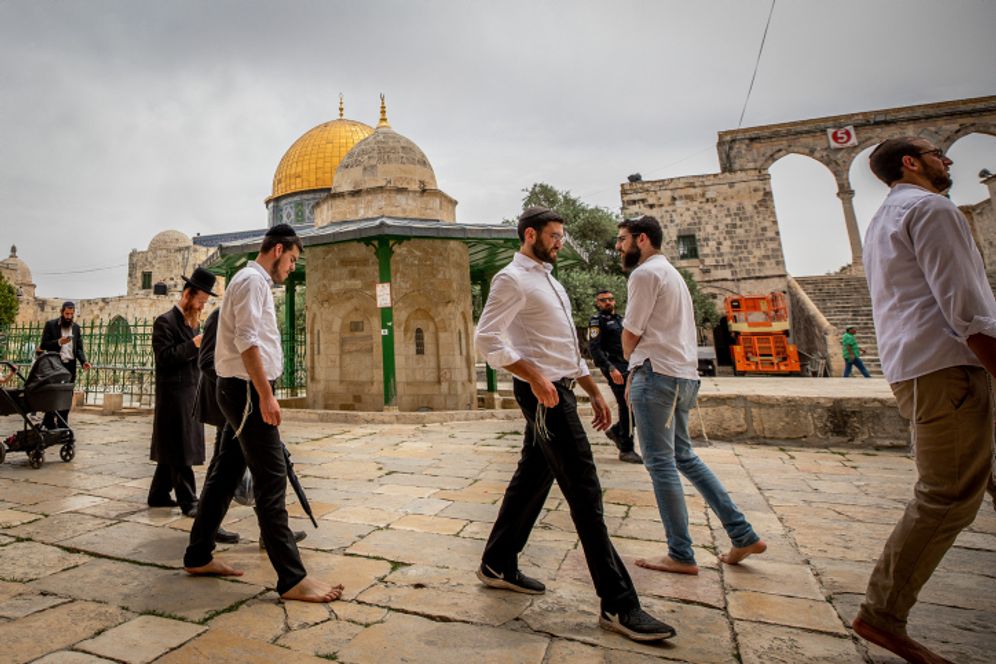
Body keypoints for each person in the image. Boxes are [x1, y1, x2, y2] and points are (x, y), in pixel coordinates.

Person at [474, 206, 674, 642]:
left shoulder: (552, 282)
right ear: (530, 236)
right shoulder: (511, 279)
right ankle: (619, 605)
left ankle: (497, 562)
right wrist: (535, 378)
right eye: (554, 235)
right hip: (543, 394)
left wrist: (594, 389)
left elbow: (566, 347)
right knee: (584, 490)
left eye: (562, 235)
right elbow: (487, 338)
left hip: (562, 387)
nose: (561, 242)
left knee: (532, 477)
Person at [852, 136, 996, 664]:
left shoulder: (885, 219)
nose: (949, 158)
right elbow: (968, 309)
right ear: (911, 163)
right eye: (939, 151)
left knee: (971, 482)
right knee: (947, 495)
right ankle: (883, 613)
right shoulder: (930, 209)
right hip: (947, 368)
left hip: (919, 368)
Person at [183, 224, 342, 603]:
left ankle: (198, 554)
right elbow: (248, 341)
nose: (291, 268)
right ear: (278, 250)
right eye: (291, 260)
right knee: (272, 479)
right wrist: (266, 394)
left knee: (225, 475)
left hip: (238, 391)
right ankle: (291, 577)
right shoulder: (253, 281)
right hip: (248, 394)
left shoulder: (249, 281)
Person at [616, 215, 766, 576]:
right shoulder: (673, 274)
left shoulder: (644, 274)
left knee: (661, 463)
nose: (618, 247)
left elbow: (630, 333)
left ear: (642, 239)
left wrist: (630, 361)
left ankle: (681, 553)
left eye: (622, 240)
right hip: (683, 375)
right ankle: (742, 533)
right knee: (683, 456)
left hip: (656, 374)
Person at [195, 307, 307, 547]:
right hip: (234, 407)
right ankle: (210, 533)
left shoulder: (247, 316)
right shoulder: (221, 317)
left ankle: (268, 533)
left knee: (248, 468)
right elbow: (206, 362)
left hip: (246, 407)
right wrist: (240, 386)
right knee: (232, 470)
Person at [148, 267, 216, 517]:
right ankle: (189, 501)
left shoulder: (192, 323)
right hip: (173, 397)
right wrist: (193, 345)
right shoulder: (165, 322)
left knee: (174, 446)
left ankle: (158, 494)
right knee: (180, 448)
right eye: (199, 301)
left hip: (190, 393)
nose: (201, 307)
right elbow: (164, 358)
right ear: (188, 295)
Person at [588, 290, 643, 463]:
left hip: (628, 366)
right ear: (597, 303)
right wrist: (610, 368)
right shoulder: (597, 322)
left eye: (611, 299)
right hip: (614, 368)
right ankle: (626, 449)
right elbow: (594, 349)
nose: (608, 303)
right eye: (603, 300)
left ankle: (617, 431)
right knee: (626, 405)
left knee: (633, 406)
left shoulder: (621, 320)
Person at [39, 301, 90, 428]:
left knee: (67, 395)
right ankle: (49, 423)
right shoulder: (51, 325)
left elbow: (78, 348)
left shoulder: (76, 328)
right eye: (67, 313)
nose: (69, 317)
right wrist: (59, 342)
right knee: (54, 394)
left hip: (70, 366)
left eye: (71, 314)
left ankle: (62, 425)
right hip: (55, 365)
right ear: (62, 312)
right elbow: (44, 345)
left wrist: (84, 361)